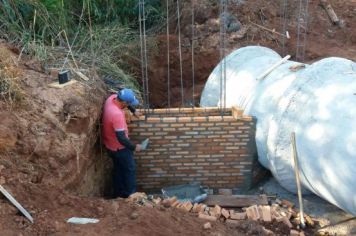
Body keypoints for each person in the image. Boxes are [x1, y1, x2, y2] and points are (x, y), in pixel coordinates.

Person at [102, 88, 142, 198]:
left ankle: (118, 194)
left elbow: (125, 103)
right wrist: (134, 147)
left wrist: (133, 110)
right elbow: (121, 138)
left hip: (110, 145)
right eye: (129, 104)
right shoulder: (117, 115)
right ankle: (131, 196)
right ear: (124, 102)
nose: (129, 105)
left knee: (118, 169)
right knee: (130, 170)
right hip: (120, 148)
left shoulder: (111, 99)